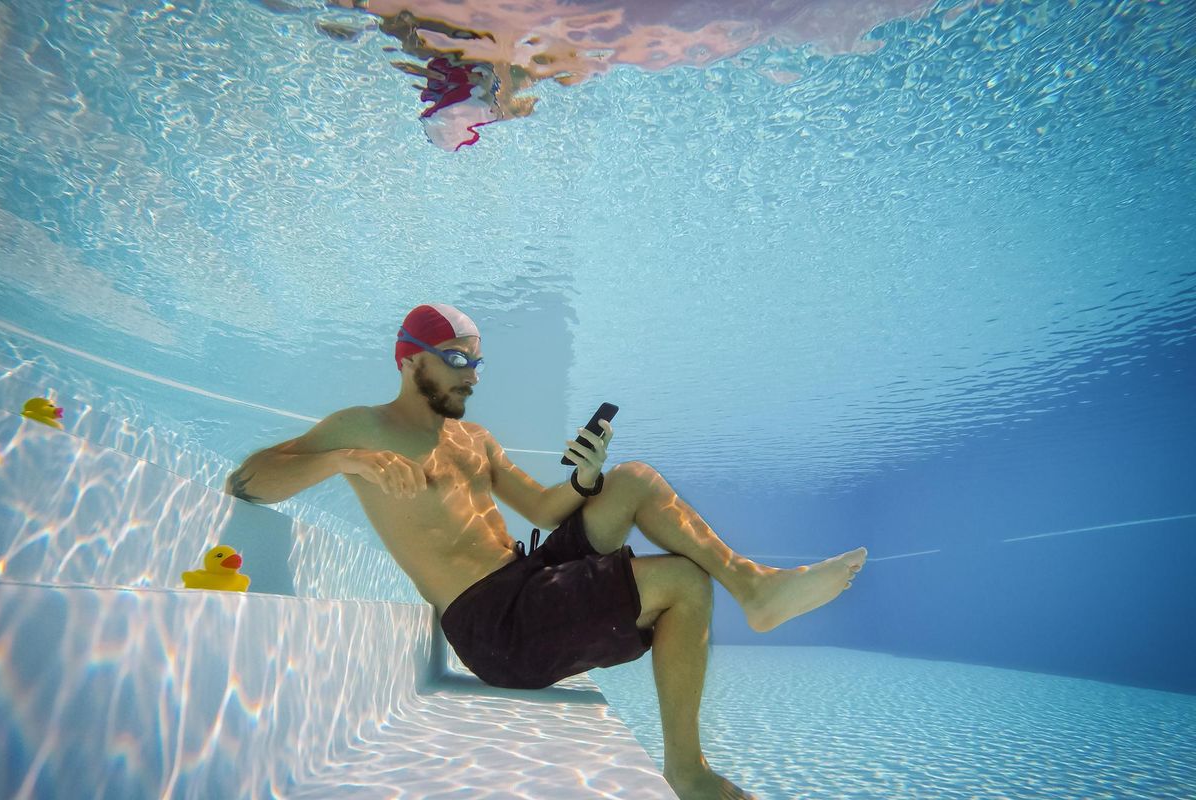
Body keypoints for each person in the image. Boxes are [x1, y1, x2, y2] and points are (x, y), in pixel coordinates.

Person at [226, 302, 867, 800]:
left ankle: (753, 588)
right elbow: (249, 481)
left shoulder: (475, 440)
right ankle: (687, 770)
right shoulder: (363, 428)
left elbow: (539, 508)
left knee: (634, 479)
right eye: (457, 359)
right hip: (494, 627)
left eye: (477, 362)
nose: (472, 375)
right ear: (408, 359)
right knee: (682, 585)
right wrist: (347, 460)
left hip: (528, 575)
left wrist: (586, 481)